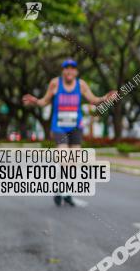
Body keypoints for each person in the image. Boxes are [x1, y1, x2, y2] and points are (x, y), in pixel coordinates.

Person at [22, 59, 117, 207]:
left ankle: (66, 192)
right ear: (63, 71)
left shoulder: (81, 84)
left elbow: (93, 100)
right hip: (59, 127)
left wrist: (105, 98)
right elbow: (44, 101)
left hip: (75, 127)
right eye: (66, 68)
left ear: (76, 72)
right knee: (64, 159)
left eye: (72, 68)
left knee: (73, 163)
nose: (69, 71)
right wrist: (35, 101)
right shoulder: (55, 83)